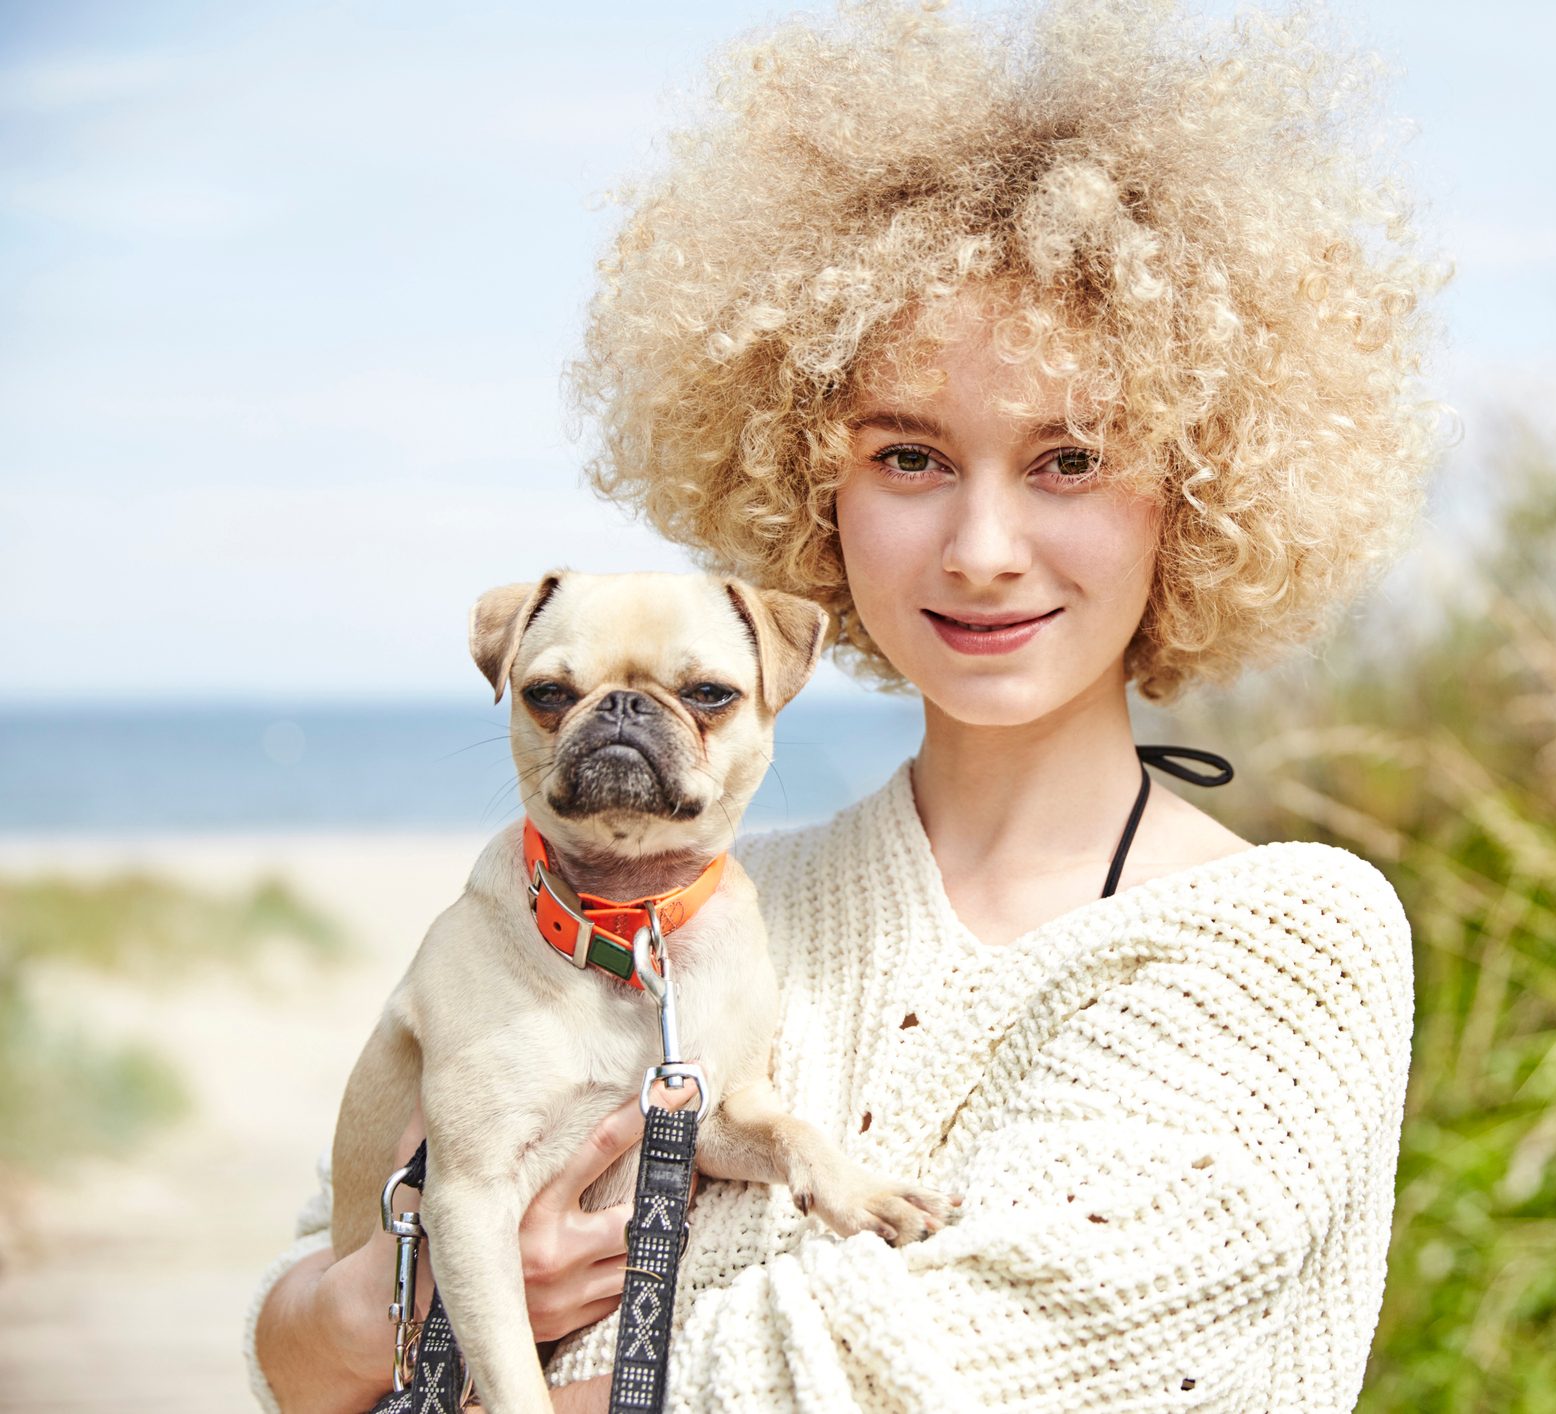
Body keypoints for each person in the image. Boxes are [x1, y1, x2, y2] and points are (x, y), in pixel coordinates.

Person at [247, 0, 1448, 1408]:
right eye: (909, 456)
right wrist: (382, 1302)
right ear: (808, 477)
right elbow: (311, 1313)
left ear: (1192, 490)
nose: (982, 546)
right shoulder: (698, 901)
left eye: (1068, 457)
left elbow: (962, 1362)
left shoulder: (1283, 945)